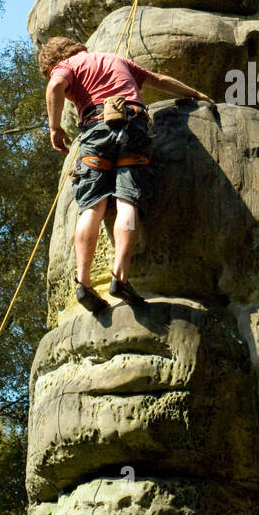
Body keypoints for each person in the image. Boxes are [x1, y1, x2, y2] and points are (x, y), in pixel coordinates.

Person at [38, 37, 214, 313]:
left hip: (96, 130)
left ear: (54, 61)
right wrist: (196, 94)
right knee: (127, 200)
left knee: (92, 206)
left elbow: (55, 86)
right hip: (134, 127)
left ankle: (83, 282)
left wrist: (54, 127)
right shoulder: (117, 60)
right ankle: (120, 277)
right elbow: (159, 79)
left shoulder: (66, 65)